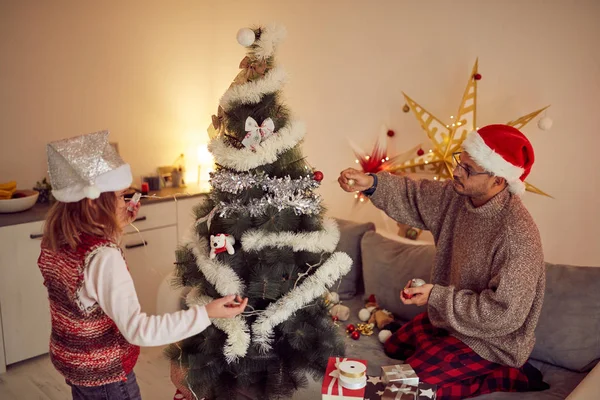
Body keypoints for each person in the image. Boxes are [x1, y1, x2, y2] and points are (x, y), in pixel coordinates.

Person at [338, 124, 548, 398]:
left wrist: (436, 296)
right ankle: (441, 353)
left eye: (469, 169)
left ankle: (507, 373)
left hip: (491, 341)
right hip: (451, 322)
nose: (457, 172)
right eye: (460, 162)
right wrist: (372, 184)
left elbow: (503, 315)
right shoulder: (457, 196)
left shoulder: (516, 235)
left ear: (498, 180)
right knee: (395, 346)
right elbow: (413, 196)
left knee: (411, 383)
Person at [38, 130, 248, 400]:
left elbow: (85, 289)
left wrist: (116, 226)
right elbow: (139, 330)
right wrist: (207, 313)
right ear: (93, 203)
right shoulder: (103, 257)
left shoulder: (56, 239)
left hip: (77, 367)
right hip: (108, 378)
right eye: (119, 196)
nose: (125, 202)